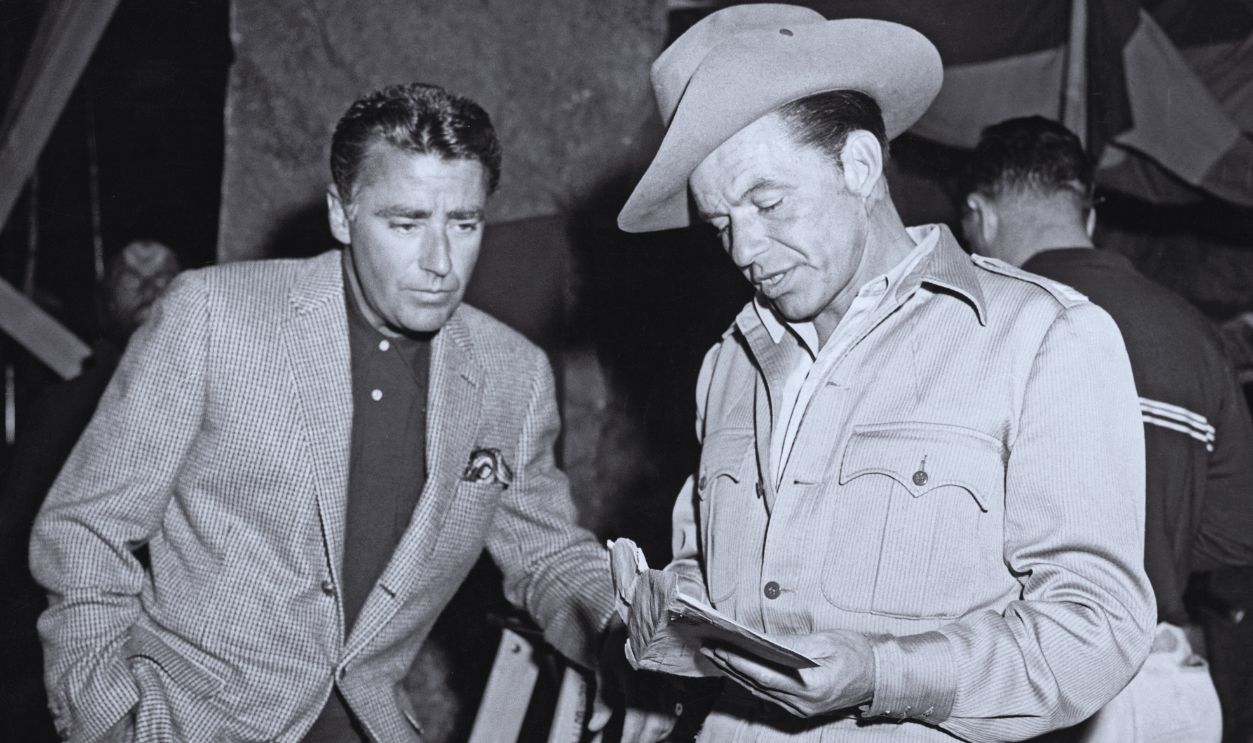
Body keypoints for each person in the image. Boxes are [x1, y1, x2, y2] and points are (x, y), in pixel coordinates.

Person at [613, 6, 1156, 741]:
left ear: (859, 166)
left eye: (767, 202)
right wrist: (667, 602)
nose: (743, 248)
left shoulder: (1041, 337)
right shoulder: (729, 362)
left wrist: (883, 674)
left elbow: (1096, 627)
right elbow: (708, 568)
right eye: (719, 225)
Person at [30, 82, 617, 742]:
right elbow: (86, 526)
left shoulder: (513, 372)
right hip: (187, 721)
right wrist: (104, 716)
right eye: (405, 223)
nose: (440, 264)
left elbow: (547, 558)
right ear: (342, 214)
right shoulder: (212, 316)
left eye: (464, 223)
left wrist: (632, 638)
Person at [961, 115, 1253, 742]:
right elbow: (1236, 532)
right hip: (1170, 686)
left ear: (979, 216)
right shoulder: (1194, 333)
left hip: (1039, 682)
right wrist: (1156, 552)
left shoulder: (983, 324)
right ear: (1088, 215)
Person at [0, 240, 181, 743]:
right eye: (132, 275)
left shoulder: (206, 399)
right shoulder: (66, 408)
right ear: (106, 302)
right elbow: (18, 540)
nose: (149, 287)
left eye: (164, 275)